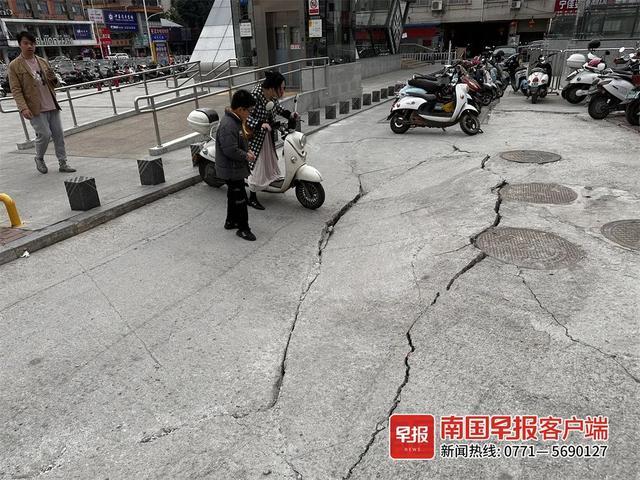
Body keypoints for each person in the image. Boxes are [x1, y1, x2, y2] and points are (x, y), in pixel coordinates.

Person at [8, 31, 76, 174]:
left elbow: (54, 84)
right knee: (44, 134)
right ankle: (39, 158)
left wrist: (54, 79)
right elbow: (16, 90)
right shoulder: (15, 65)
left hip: (51, 103)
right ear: (20, 44)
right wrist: (23, 108)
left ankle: (63, 162)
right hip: (35, 107)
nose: (29, 46)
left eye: (32, 43)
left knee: (58, 135)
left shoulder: (42, 61)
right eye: (26, 43)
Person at [246, 70, 297, 210]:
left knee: (270, 159)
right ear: (272, 87)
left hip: (267, 136)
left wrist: (290, 114)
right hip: (256, 137)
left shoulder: (271, 96)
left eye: (283, 88)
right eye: (280, 88)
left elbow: (277, 108)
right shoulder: (255, 94)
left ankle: (269, 180)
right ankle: (252, 196)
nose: (282, 91)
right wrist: (259, 124)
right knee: (259, 163)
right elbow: (246, 116)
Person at [215, 89, 257, 241]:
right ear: (240, 109)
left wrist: (248, 150)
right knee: (240, 197)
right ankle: (243, 228)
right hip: (231, 169)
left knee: (233, 194)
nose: (250, 114)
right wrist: (246, 156)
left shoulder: (236, 121)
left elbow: (239, 142)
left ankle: (230, 221)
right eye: (249, 110)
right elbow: (230, 150)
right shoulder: (229, 125)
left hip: (233, 168)